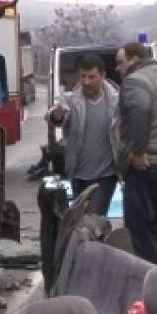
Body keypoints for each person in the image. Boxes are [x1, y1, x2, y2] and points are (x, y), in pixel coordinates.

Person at [114, 42, 157, 265]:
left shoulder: (135, 81)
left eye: (120, 62)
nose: (117, 68)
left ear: (134, 59)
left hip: (145, 168)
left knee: (139, 236)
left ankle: (147, 287)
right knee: (156, 231)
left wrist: (138, 151)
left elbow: (141, 110)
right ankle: (155, 282)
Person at [47, 53, 120, 216]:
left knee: (93, 217)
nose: (86, 82)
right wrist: (57, 115)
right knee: (81, 219)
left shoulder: (117, 101)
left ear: (103, 76)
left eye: (92, 77)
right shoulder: (71, 100)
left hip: (106, 175)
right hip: (78, 174)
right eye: (83, 76)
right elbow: (52, 116)